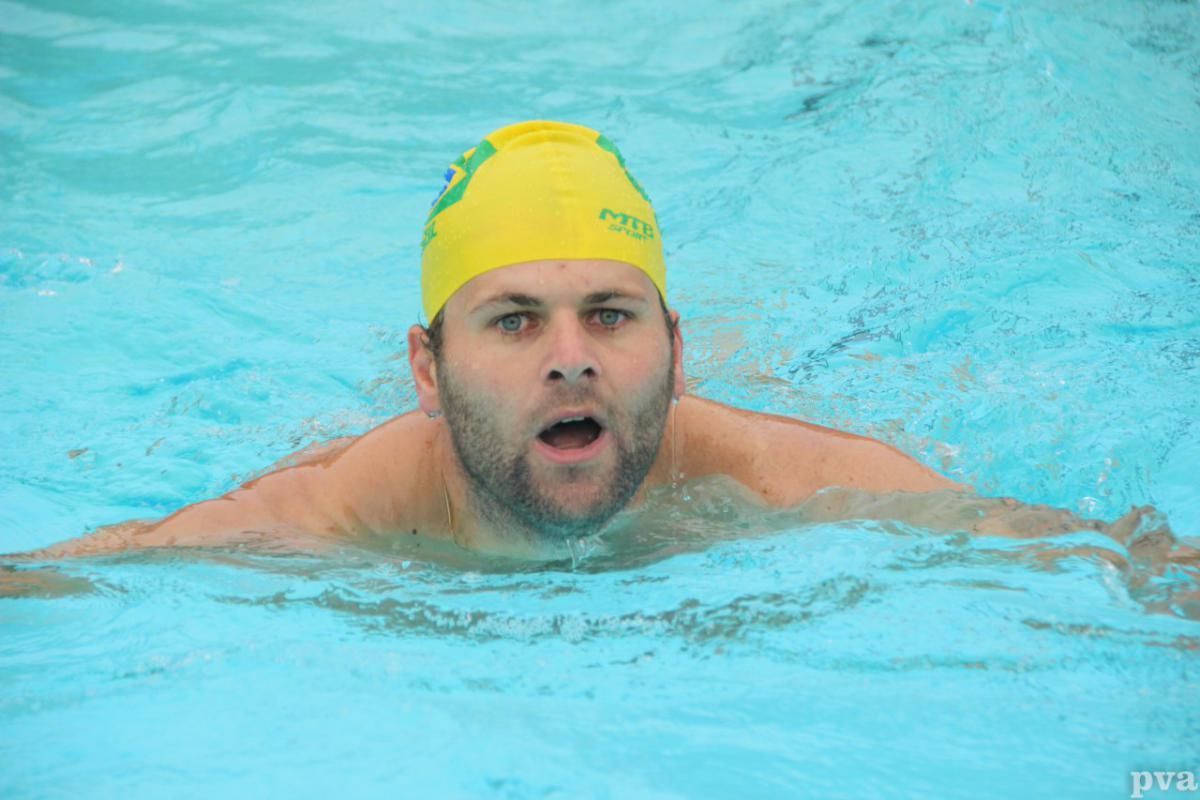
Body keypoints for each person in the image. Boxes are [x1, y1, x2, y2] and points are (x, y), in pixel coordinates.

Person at [6, 120, 1193, 565]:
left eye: (611, 317)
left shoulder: (764, 473)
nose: (570, 358)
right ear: (425, 369)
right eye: (514, 320)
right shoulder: (335, 510)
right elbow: (92, 562)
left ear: (675, 349)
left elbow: (1043, 536)